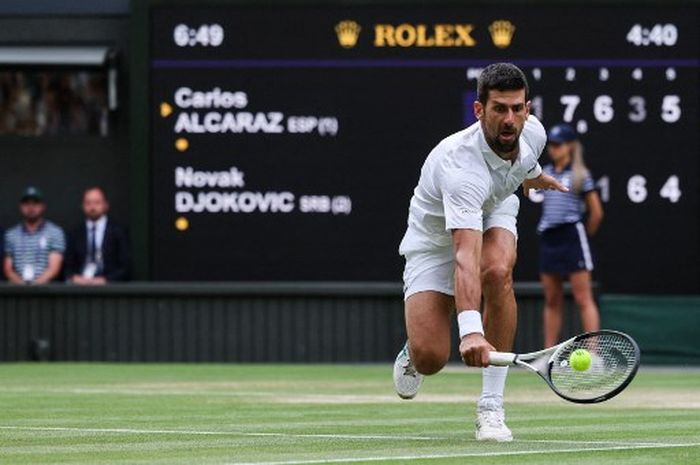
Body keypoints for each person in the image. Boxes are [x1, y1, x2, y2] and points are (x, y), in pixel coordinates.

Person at [392, 63, 567, 442]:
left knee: (498, 271)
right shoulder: (461, 168)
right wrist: (471, 332)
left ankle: (491, 406)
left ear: (528, 108)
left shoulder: (532, 133)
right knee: (431, 357)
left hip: (496, 209)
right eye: (499, 109)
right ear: (478, 110)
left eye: (517, 108)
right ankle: (417, 347)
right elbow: (463, 255)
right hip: (435, 241)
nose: (510, 119)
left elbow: (522, 167)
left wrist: (538, 178)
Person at [537, 124, 604, 347]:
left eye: (558, 145)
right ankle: (547, 353)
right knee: (552, 299)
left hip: (572, 236)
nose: (553, 149)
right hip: (549, 237)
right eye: (551, 145)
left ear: (571, 146)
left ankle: (594, 353)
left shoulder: (580, 175)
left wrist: (582, 235)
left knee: (583, 298)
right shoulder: (544, 173)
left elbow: (596, 212)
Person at [64, 186, 130, 284]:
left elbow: (126, 267)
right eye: (88, 203)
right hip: (80, 288)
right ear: (82, 206)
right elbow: (67, 266)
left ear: (106, 205)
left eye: (97, 202)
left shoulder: (118, 231)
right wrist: (75, 278)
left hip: (110, 288)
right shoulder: (75, 233)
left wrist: (105, 280)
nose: (92, 207)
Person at [3, 186, 65, 284]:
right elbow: (8, 270)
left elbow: (54, 269)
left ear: (43, 206)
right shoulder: (11, 234)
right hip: (17, 292)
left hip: (46, 292)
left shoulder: (55, 232)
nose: (30, 207)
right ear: (20, 206)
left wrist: (34, 287)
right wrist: (22, 286)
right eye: (26, 203)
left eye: (35, 203)